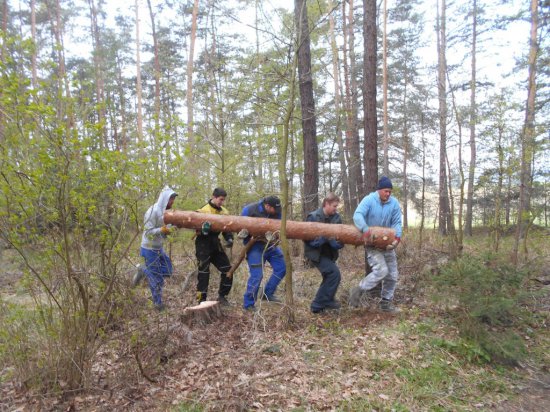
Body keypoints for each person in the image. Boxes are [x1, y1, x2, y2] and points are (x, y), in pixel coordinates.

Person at [349, 176, 402, 313]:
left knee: (392, 274)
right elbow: (358, 215)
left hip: (388, 244)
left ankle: (386, 303)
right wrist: (365, 230)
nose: (388, 194)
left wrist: (397, 238)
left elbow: (397, 222)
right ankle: (358, 290)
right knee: (381, 271)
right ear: (379, 190)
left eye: (390, 191)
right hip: (371, 245)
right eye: (386, 191)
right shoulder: (369, 200)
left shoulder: (394, 203)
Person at [133, 186, 178, 311]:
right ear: (164, 199)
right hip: (148, 249)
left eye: (173, 199)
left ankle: (143, 270)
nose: (172, 202)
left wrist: (169, 230)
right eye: (171, 199)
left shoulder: (165, 213)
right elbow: (148, 232)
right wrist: (162, 230)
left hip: (158, 248)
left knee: (168, 270)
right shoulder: (152, 211)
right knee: (156, 278)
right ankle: (157, 304)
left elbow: (163, 232)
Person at [241, 196, 286, 311]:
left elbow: (279, 229)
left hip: (270, 246)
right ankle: (248, 304)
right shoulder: (249, 210)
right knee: (257, 275)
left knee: (282, 268)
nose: (277, 212)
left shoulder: (277, 212)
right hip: (254, 246)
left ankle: (267, 293)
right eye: (274, 210)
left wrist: (275, 237)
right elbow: (239, 227)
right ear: (267, 206)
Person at [304, 193, 344, 314]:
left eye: (336, 206)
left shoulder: (337, 218)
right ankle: (320, 302)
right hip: (316, 254)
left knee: (329, 276)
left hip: (330, 254)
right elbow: (306, 238)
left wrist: (336, 243)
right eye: (334, 206)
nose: (335, 209)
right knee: (334, 273)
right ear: (326, 204)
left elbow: (342, 239)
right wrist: (321, 240)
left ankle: (319, 306)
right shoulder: (313, 216)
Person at [195, 188, 234, 306]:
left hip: (215, 244)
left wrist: (229, 238)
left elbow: (226, 228)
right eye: (220, 199)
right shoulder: (203, 210)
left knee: (228, 270)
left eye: (223, 200)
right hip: (202, 243)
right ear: (214, 196)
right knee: (203, 273)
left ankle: (222, 297)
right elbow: (195, 227)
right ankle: (201, 300)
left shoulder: (224, 212)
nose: (222, 202)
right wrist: (202, 230)